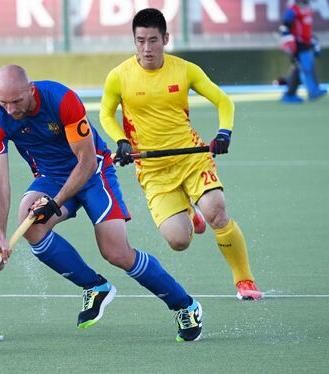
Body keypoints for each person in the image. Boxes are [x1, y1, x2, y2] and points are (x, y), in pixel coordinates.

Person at [0, 64, 203, 342]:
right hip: (50, 177)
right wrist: (0, 236)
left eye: (17, 101)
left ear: (31, 89)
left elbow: (86, 161)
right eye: (4, 102)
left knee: (116, 253)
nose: (11, 109)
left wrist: (55, 203)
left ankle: (185, 305)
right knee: (30, 224)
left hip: (93, 173)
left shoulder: (61, 100)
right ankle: (94, 286)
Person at [99, 8, 263, 301]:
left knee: (216, 209)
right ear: (134, 41)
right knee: (179, 240)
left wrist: (224, 132)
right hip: (153, 169)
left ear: (166, 38)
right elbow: (106, 114)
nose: (147, 48)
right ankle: (189, 212)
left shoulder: (185, 69)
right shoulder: (119, 76)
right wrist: (121, 140)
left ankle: (244, 281)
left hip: (191, 157)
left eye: (153, 40)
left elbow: (223, 101)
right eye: (140, 41)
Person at [279, 0, 327, 103]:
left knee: (299, 70)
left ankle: (290, 94)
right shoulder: (293, 10)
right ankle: (313, 91)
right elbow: (284, 26)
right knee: (306, 68)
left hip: (305, 43)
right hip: (298, 45)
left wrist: (313, 42)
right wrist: (287, 41)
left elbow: (307, 30)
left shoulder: (307, 9)